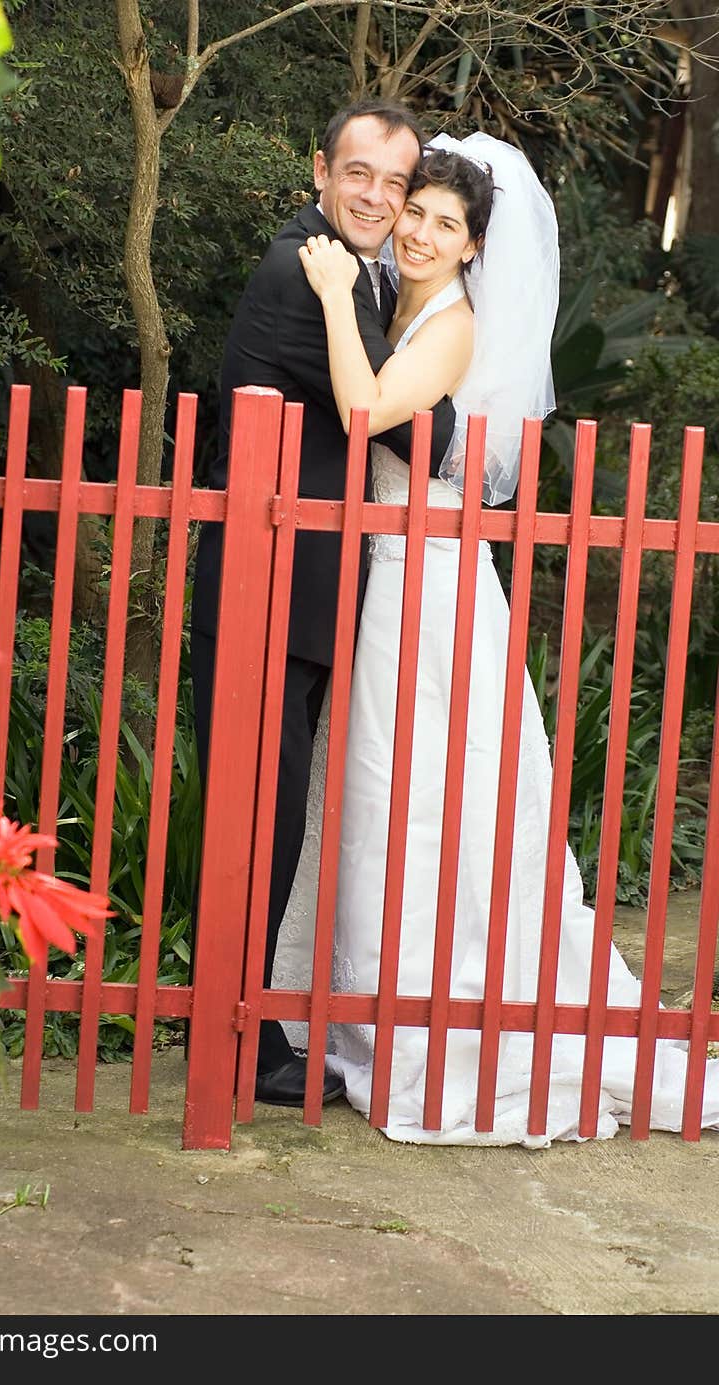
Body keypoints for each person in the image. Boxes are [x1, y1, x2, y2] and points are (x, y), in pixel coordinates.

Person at [279, 130, 719, 1145]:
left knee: (438, 801)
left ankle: (453, 1019)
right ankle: (373, 1004)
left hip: (428, 588)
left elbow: (363, 407)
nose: (425, 235)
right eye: (417, 214)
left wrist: (336, 293)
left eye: (447, 224)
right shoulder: (404, 302)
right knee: (380, 795)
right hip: (386, 582)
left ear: (476, 244)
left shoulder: (452, 327)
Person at [189, 100, 456, 1108]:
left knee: (267, 819)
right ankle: (245, 1050)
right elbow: (412, 432)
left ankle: (243, 1025)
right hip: (266, 593)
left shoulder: (350, 268)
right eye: (359, 174)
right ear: (319, 169)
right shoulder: (305, 278)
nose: (377, 197)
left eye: (394, 182)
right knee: (259, 822)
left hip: (296, 594)